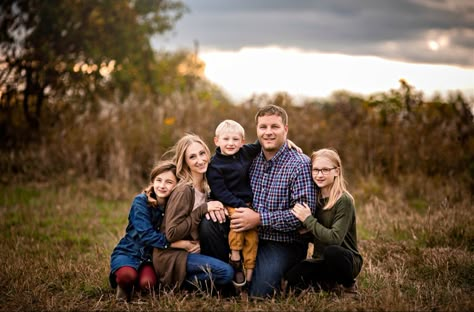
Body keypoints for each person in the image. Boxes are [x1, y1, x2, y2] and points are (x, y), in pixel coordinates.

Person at [200, 104, 316, 298]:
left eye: (275, 127)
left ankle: (287, 275)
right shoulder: (249, 156)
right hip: (244, 227)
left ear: (285, 129)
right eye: (263, 127)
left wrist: (260, 219)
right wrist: (213, 203)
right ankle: (222, 282)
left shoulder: (300, 164)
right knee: (209, 223)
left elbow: (302, 215)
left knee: (259, 294)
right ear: (257, 131)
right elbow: (224, 175)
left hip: (281, 241)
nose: (268, 132)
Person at [152, 134, 234, 292]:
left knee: (224, 273)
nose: (200, 160)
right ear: (185, 162)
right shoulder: (184, 190)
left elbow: (238, 149)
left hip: (192, 250)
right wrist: (202, 209)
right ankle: (173, 284)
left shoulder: (207, 187)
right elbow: (171, 233)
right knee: (226, 273)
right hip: (172, 256)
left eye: (202, 153)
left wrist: (285, 143)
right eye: (192, 157)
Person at [282, 148, 363, 297]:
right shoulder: (315, 198)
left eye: (325, 170)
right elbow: (318, 233)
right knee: (291, 281)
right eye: (316, 170)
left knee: (332, 252)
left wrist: (308, 220)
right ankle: (329, 284)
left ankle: (349, 286)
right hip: (320, 260)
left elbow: (334, 239)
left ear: (336, 171)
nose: (319, 175)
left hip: (345, 260)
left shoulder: (343, 201)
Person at [109, 160, 190, 301]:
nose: (162, 186)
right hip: (129, 251)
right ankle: (123, 284)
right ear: (153, 181)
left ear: (177, 185)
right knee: (127, 276)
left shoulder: (174, 206)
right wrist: (179, 244)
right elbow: (147, 236)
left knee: (148, 285)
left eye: (169, 182)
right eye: (159, 180)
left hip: (150, 258)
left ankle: (136, 284)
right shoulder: (141, 202)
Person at [206, 120, 261, 287]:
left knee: (252, 237)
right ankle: (235, 259)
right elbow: (221, 192)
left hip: (248, 203)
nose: (231, 143)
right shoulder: (214, 165)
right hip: (229, 202)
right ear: (217, 141)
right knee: (238, 223)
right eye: (226, 139)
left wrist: (287, 141)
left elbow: (262, 142)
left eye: (236, 139)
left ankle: (250, 273)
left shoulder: (245, 152)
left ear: (242, 141)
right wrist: (241, 206)